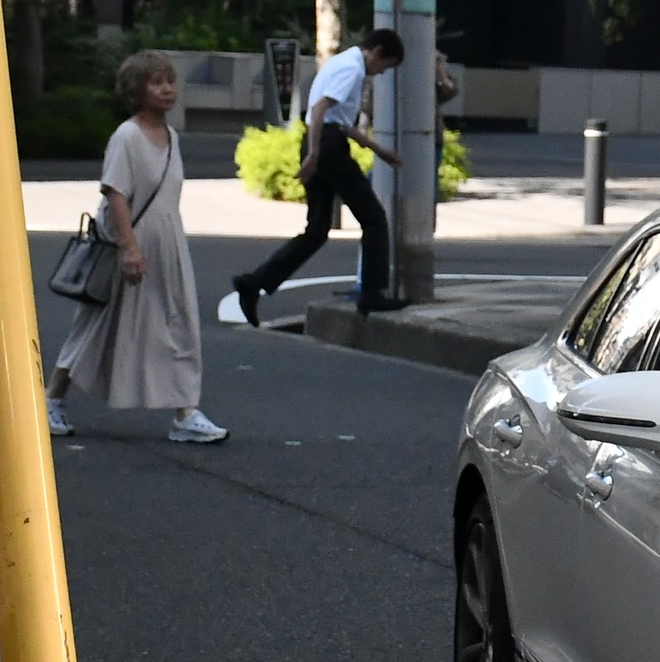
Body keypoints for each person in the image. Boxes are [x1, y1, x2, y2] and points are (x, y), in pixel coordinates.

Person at [47, 52, 228, 444]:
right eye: (155, 82)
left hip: (167, 242)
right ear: (137, 90)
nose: (166, 89)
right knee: (96, 327)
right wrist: (129, 248)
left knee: (177, 323)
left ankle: (186, 412)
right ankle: (50, 400)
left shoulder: (172, 137)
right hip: (126, 243)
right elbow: (116, 193)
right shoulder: (127, 137)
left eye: (169, 81)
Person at [231, 27, 410, 324]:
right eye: (384, 67)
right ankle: (373, 293)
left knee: (317, 230)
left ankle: (254, 283)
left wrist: (378, 150)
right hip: (326, 147)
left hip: (322, 142)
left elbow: (340, 122)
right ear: (377, 52)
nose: (379, 74)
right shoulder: (352, 69)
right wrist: (314, 155)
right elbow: (319, 111)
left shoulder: (342, 63)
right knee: (374, 218)